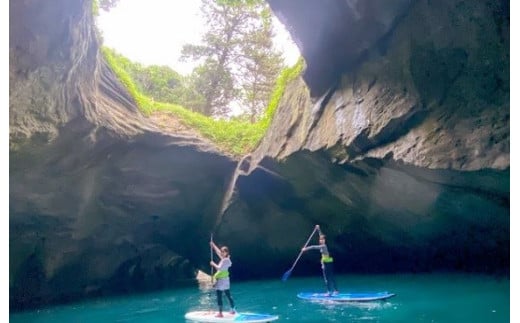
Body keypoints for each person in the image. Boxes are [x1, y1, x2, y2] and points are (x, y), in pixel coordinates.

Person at [302, 225, 339, 296]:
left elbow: (313, 247)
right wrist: (318, 229)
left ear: (324, 240)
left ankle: (329, 292)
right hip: (328, 262)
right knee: (330, 276)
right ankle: (336, 291)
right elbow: (321, 235)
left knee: (327, 277)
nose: (321, 240)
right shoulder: (323, 244)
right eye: (321, 240)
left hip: (327, 263)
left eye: (323, 240)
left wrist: (305, 249)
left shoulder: (323, 246)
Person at [210, 241, 236, 317]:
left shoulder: (225, 260)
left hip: (221, 281)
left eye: (223, 252)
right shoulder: (226, 259)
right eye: (221, 251)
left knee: (219, 296)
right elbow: (218, 252)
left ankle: (220, 313)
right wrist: (213, 245)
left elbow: (219, 268)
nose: (221, 253)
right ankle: (233, 310)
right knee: (228, 295)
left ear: (226, 252)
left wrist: (213, 263)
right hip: (226, 280)